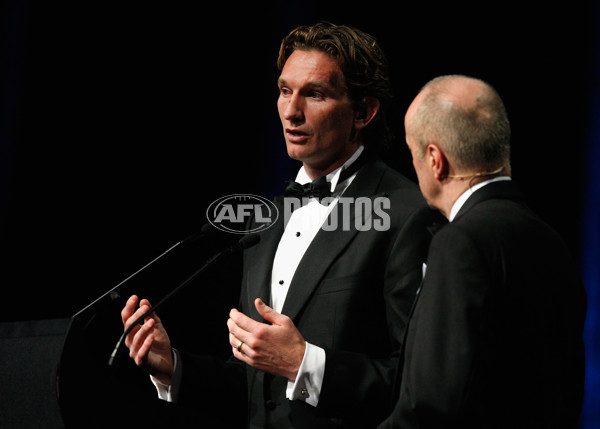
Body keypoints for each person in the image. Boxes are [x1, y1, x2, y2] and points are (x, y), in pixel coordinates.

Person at [121, 22, 441, 428]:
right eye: (285, 90)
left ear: (363, 112)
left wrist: (304, 363)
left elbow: (422, 384)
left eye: (315, 94)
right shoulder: (267, 221)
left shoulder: (406, 213)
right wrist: (173, 366)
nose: (291, 111)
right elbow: (261, 392)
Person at [378, 75, 587, 428]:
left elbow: (432, 405)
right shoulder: (552, 240)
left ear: (434, 160)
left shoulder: (459, 242)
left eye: (412, 151)